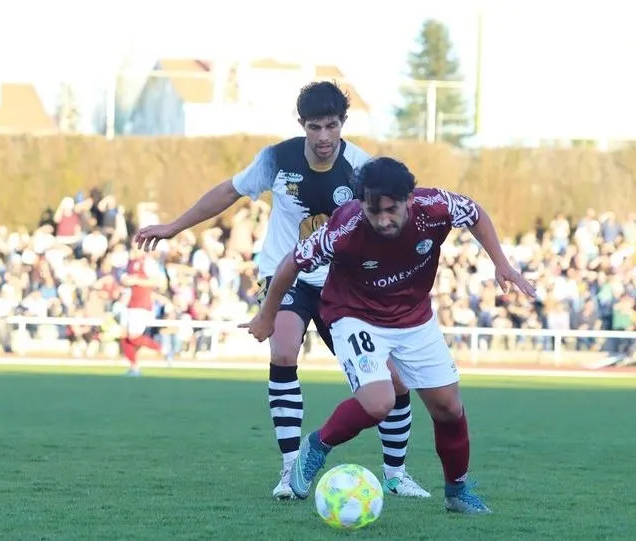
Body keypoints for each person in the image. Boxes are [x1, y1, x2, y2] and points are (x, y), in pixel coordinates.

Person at [133, 82, 429, 499]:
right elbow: (226, 192)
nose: (324, 137)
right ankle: (291, 470)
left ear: (343, 124)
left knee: (395, 381)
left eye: (331, 126)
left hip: (343, 286)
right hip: (286, 275)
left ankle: (396, 475)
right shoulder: (276, 159)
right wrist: (173, 227)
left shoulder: (361, 168)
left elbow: (390, 218)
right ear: (301, 125)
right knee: (284, 351)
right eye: (314, 127)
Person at [241, 157, 537, 514]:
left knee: (448, 407)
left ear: (409, 198)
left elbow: (474, 213)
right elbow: (291, 263)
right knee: (379, 401)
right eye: (372, 211)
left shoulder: (436, 206)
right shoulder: (344, 228)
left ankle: (457, 492)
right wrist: (268, 314)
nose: (382, 220)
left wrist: (501, 262)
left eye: (390, 210)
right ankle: (317, 446)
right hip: (356, 317)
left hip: (414, 318)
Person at [119, 244, 165, 375]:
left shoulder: (148, 263)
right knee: (123, 336)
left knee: (133, 337)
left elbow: (156, 282)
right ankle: (134, 367)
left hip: (141, 305)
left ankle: (161, 348)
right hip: (128, 304)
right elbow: (124, 280)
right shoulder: (129, 262)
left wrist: (136, 281)